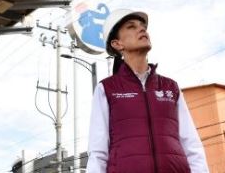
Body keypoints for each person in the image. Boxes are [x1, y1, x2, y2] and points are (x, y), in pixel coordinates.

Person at [86, 9, 208, 173]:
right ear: (117, 44)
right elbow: (98, 152)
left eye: (143, 26)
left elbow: (192, 145)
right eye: (131, 27)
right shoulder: (106, 89)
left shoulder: (170, 87)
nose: (142, 29)